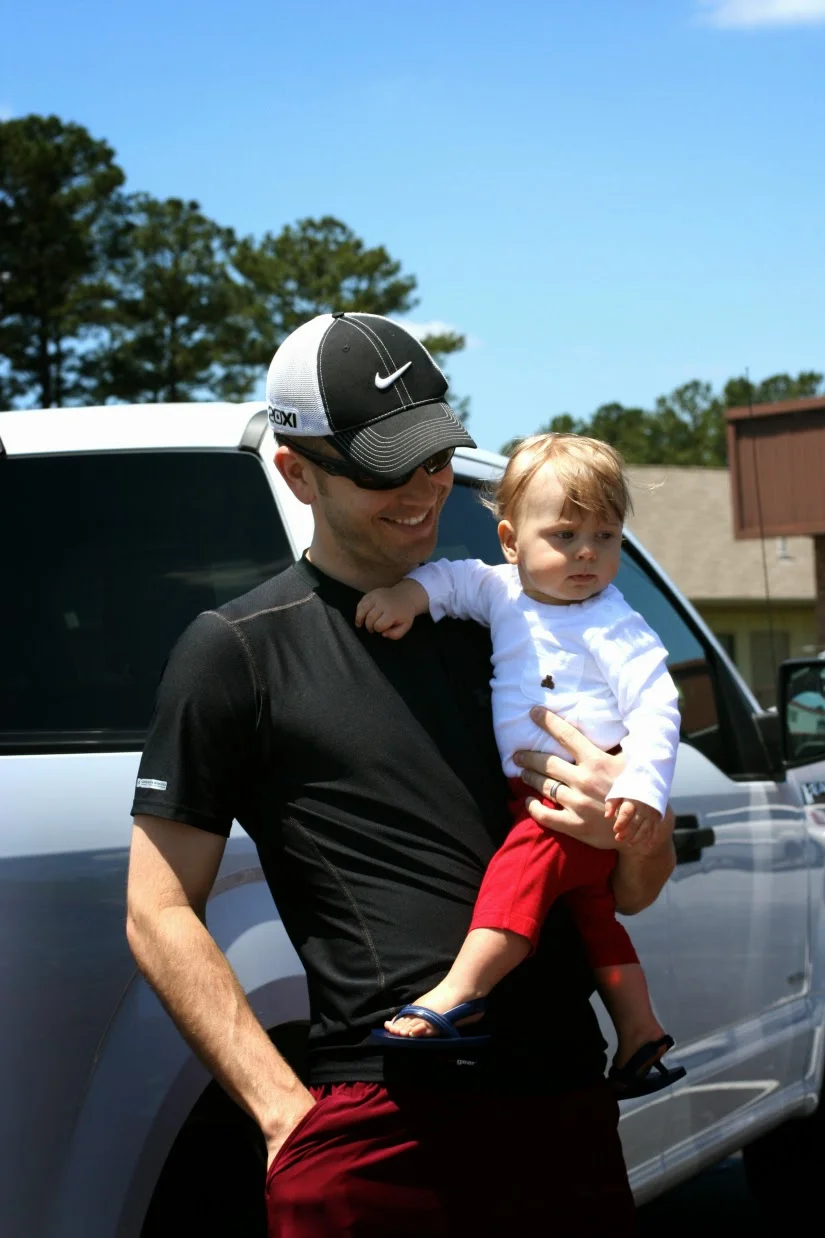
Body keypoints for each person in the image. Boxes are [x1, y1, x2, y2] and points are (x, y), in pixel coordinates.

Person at [126, 312, 675, 1237]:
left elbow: (635, 888)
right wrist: (282, 1116)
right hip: (383, 1127)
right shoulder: (237, 652)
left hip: (564, 1115)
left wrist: (624, 829)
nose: (424, 489)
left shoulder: (511, 621)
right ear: (296, 472)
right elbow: (156, 906)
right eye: (385, 468)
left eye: (434, 457)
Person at [357, 432, 685, 1096]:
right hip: (539, 792)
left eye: (605, 536)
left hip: (577, 800)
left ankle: (461, 990)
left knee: (518, 874)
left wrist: (641, 789)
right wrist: (406, 599)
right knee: (595, 925)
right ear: (510, 540)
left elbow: (657, 706)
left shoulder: (612, 623)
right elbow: (450, 580)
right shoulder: (501, 591)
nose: (587, 552)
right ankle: (640, 1032)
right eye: (565, 535)